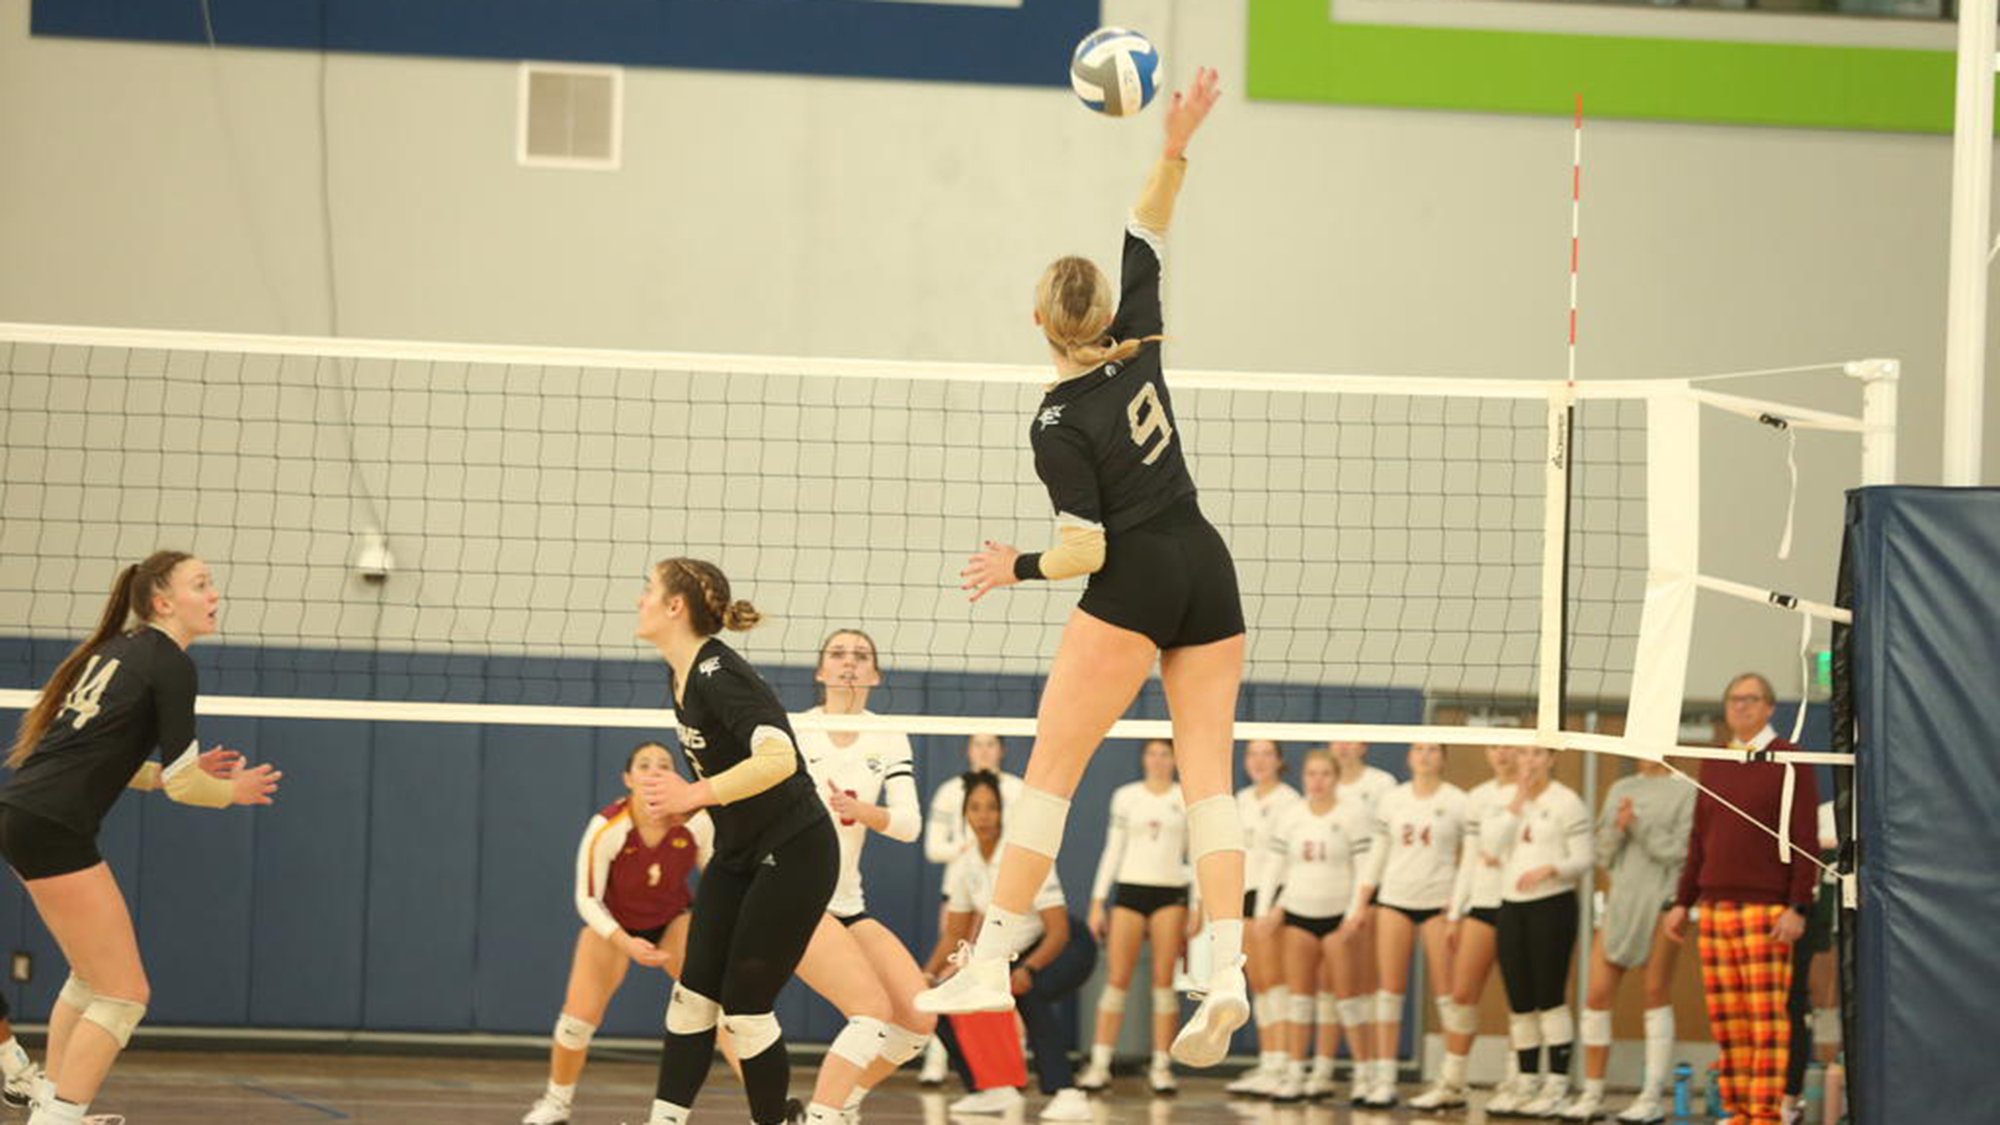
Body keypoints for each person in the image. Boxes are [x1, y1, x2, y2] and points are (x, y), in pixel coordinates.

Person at [914, 68, 1250, 1071]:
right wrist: (1177, 137)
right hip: (1207, 562)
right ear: (1098, 312)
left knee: (1049, 771)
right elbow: (1146, 223)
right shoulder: (1136, 337)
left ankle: (987, 958)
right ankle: (1225, 969)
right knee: (1209, 784)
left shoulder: (1055, 421)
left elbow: (1083, 551)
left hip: (1137, 571)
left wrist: (1011, 566)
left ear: (1037, 324)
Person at [0, 552, 281, 1125]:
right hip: (49, 824)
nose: (213, 595)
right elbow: (184, 786)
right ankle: (58, 1120)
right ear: (162, 602)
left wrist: (178, 775)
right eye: (200, 585)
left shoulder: (116, 650)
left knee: (90, 979)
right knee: (125, 995)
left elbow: (108, 760)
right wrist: (233, 791)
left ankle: (52, 1107)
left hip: (25, 814)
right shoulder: (170, 664)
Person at [632, 557, 839, 1125]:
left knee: (745, 1007)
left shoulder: (717, 673)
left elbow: (778, 758)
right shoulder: (679, 673)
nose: (639, 600)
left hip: (796, 848)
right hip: (739, 850)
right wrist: (690, 803)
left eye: (648, 590)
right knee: (692, 993)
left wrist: (691, 797)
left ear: (675, 607)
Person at [522, 742, 715, 1125]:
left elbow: (718, 879)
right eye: (645, 765)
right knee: (577, 1021)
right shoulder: (608, 826)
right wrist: (625, 942)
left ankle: (774, 1110)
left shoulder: (695, 822)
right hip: (614, 926)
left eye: (664, 764)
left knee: (720, 1009)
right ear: (628, 779)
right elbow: (587, 898)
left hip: (673, 920)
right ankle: (556, 1102)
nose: (655, 771)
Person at [789, 629, 938, 1125]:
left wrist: (861, 810)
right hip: (797, 899)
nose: (848, 663)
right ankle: (823, 1115)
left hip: (848, 901)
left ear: (875, 674)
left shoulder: (887, 734)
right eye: (837, 654)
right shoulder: (794, 730)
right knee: (870, 1013)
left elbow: (909, 826)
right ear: (820, 671)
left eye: (860, 656)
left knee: (917, 1020)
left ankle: (847, 1100)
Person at [1663, 673, 1820, 1125]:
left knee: (1767, 1020)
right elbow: (1699, 837)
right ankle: (1736, 1109)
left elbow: (1804, 836)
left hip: (1767, 909)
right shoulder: (1715, 759)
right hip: (1714, 907)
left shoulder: (1790, 759)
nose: (1741, 707)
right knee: (1727, 1018)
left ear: (1770, 707)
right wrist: (1682, 901)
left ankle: (1766, 1112)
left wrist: (1797, 905)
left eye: (1751, 700)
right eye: (1734, 699)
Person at [924, 772, 1095, 1121]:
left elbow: (1058, 930)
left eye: (991, 808)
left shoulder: (1024, 858)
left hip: (1065, 946)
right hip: (1012, 954)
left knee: (1028, 992)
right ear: (965, 815)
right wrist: (926, 975)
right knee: (939, 1001)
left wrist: (1029, 970)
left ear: (1003, 812)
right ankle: (988, 1090)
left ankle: (1067, 1091)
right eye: (975, 808)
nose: (983, 816)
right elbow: (954, 934)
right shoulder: (965, 864)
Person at [1558, 758, 1693, 1123]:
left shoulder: (1686, 791)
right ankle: (1592, 1093)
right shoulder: (1620, 789)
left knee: (1654, 992)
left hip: (1663, 901)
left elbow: (1683, 853)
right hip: (1620, 901)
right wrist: (1617, 829)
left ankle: (1651, 1097)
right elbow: (1603, 853)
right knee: (1596, 994)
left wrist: (1638, 824)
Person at [1346, 742, 1467, 1109]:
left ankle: (1451, 1080)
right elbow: (1378, 855)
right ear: (1409, 757)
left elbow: (1469, 856)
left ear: (1444, 757)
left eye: (1433, 750)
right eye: (1419, 750)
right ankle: (1384, 1080)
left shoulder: (1459, 801)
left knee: (1448, 995)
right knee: (1389, 991)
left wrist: (1458, 904)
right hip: (1395, 899)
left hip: (1438, 902)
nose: (1426, 756)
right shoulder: (1393, 799)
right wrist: (1360, 903)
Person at [1076, 739, 1192, 1095]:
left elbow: (1199, 854)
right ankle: (1099, 1065)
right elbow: (1113, 849)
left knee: (1162, 983)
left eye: (1165, 754)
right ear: (1143, 758)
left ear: (1175, 759)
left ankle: (1161, 1067)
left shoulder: (1185, 798)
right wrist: (1098, 902)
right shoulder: (1127, 796)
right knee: (1117, 979)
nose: (1158, 760)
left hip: (1170, 894)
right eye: (1152, 753)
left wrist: (1200, 906)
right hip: (1129, 891)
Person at [1413, 740, 1522, 1111]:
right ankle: (1453, 1082)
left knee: (1518, 1001)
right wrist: (1456, 911)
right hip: (1482, 903)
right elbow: (1472, 857)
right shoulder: (1479, 796)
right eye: (1495, 748)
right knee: (1461, 995)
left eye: (1510, 748)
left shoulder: (1537, 794)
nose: (1502, 754)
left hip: (1521, 905)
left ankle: (1516, 1081)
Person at [1254, 750, 1367, 1104]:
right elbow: (1274, 867)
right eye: (1311, 774)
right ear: (1303, 777)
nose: (1317, 781)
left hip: (1338, 919)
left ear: (1336, 778)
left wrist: (1354, 913)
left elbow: (1363, 870)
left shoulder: (1352, 816)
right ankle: (1294, 1073)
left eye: (1324, 774)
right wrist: (1264, 912)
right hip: (1299, 914)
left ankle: (1362, 1076)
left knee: (1344, 999)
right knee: (1298, 1000)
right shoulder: (1292, 816)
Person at [1486, 743, 1591, 1118]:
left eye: (1537, 754)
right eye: (1524, 754)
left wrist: (1551, 869)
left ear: (1551, 758)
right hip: (1511, 905)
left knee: (1550, 997)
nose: (1529, 761)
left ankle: (1557, 1085)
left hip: (1553, 904)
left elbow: (1583, 858)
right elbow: (1490, 848)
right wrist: (1517, 801)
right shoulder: (1503, 798)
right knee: (1519, 1001)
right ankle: (1526, 1081)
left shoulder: (1567, 801)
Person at [920, 733, 1021, 1085]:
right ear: (967, 750)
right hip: (960, 893)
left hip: (1003, 897)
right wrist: (974, 846)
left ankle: (1010, 1064)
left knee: (1002, 981)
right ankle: (938, 1061)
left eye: (991, 744)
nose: (984, 751)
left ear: (1002, 750)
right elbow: (934, 849)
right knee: (952, 975)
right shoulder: (951, 791)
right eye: (977, 745)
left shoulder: (1017, 789)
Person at [1225, 738, 1301, 1098]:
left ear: (1279, 761)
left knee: (1276, 982)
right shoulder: (1239, 801)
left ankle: (1284, 1063)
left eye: (1267, 753)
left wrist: (1278, 905)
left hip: (1272, 899)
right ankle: (1271, 1063)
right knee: (1258, 983)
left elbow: (1294, 860)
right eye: (1253, 753)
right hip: (1244, 896)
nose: (1259, 760)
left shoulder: (1290, 802)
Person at [1327, 740, 1396, 1104]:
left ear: (1365, 745)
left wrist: (1362, 901)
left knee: (1369, 984)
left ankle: (1374, 1073)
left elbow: (1385, 843)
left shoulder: (1382, 785)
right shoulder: (1324, 785)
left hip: (1369, 893)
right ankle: (1360, 1068)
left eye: (1350, 739)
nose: (1343, 747)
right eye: (1337, 740)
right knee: (1339, 988)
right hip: (1329, 895)